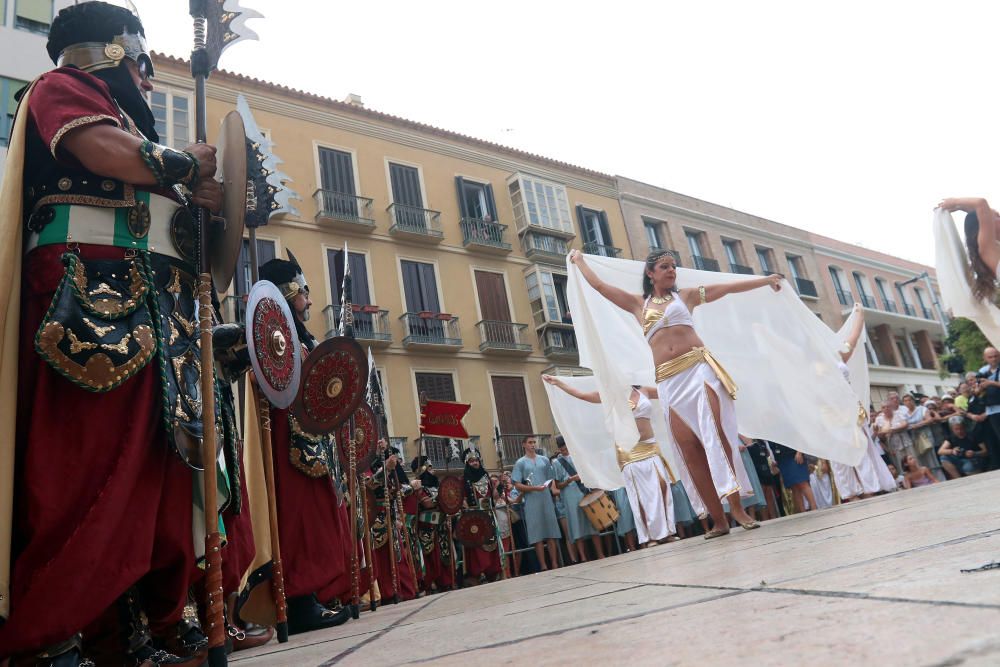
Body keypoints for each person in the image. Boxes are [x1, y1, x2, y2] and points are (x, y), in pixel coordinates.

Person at [0, 3, 242, 663]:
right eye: (141, 58)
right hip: (86, 304)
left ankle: (128, 629)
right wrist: (186, 168)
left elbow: (182, 224)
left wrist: (214, 202)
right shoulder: (60, 91)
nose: (149, 75)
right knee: (80, 473)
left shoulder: (144, 142)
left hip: (155, 317)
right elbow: (100, 149)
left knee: (150, 484)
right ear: (109, 51)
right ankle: (47, 636)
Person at [570, 249, 778, 538]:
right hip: (669, 383)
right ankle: (718, 521)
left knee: (715, 437)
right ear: (650, 273)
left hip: (698, 370)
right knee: (690, 451)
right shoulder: (636, 304)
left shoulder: (688, 296)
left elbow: (728, 288)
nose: (671, 271)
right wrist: (580, 261)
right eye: (665, 267)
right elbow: (601, 287)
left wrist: (765, 280)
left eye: (673, 267)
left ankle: (738, 510)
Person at [255, 253, 352, 633]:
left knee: (315, 520)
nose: (310, 300)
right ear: (288, 291)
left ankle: (312, 595)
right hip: (288, 443)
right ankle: (297, 601)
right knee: (298, 523)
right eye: (304, 292)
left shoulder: (300, 336)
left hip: (311, 442)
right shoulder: (276, 332)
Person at [542, 375, 680, 546]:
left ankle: (667, 532)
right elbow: (583, 395)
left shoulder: (642, 389)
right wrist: (559, 383)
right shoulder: (610, 395)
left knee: (661, 487)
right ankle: (650, 536)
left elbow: (668, 390)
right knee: (640, 494)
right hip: (628, 450)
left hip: (650, 447)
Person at [830, 307, 899, 501]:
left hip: (849, 409)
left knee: (859, 448)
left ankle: (871, 487)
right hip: (829, 413)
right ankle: (850, 493)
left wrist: (859, 315)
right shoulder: (808, 364)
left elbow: (853, 335)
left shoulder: (838, 357)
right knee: (838, 455)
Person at [511, 436, 562, 570]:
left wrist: (549, 488)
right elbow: (516, 484)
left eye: (534, 442)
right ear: (524, 445)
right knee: (537, 535)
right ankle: (543, 565)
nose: (533, 445)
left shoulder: (544, 460)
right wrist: (533, 488)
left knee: (551, 531)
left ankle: (555, 563)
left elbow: (551, 479)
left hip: (546, 498)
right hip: (531, 501)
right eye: (530, 442)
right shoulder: (520, 463)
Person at [552, 437, 606, 561]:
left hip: (583, 491)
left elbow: (590, 473)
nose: (564, 450)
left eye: (566, 448)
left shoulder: (579, 456)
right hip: (569, 495)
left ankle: (600, 553)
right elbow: (558, 484)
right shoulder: (556, 463)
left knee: (592, 522)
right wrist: (569, 480)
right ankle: (582, 557)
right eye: (562, 449)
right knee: (576, 526)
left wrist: (580, 477)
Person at [937, 198, 1000, 303]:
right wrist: (954, 202)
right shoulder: (988, 250)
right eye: (997, 216)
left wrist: (962, 208)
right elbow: (981, 203)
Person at [410, 457, 455, 593]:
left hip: (440, 525)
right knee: (430, 557)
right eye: (429, 468)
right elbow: (428, 503)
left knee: (444, 555)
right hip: (426, 526)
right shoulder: (418, 487)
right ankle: (429, 583)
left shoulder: (436, 486)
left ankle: (445, 582)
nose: (433, 470)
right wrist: (443, 497)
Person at [461, 448, 503, 584]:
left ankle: (493, 571)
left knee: (492, 543)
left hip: (489, 514)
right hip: (475, 517)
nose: (475, 463)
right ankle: (479, 573)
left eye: (476, 460)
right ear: (467, 463)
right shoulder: (464, 479)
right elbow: (462, 498)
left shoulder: (487, 477)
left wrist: (497, 487)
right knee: (478, 546)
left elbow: (494, 497)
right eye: (472, 461)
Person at [770, 442, 817, 513]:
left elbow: (797, 436)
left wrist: (799, 452)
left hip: (793, 454)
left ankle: (814, 508)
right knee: (794, 487)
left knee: (803, 483)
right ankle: (803, 512)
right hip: (781, 458)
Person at [975, 347, 1000, 471]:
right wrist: (980, 388)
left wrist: (991, 383)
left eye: (995, 355)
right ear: (985, 358)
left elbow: (993, 384)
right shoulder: (983, 372)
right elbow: (977, 391)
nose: (994, 359)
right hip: (992, 409)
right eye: (990, 357)